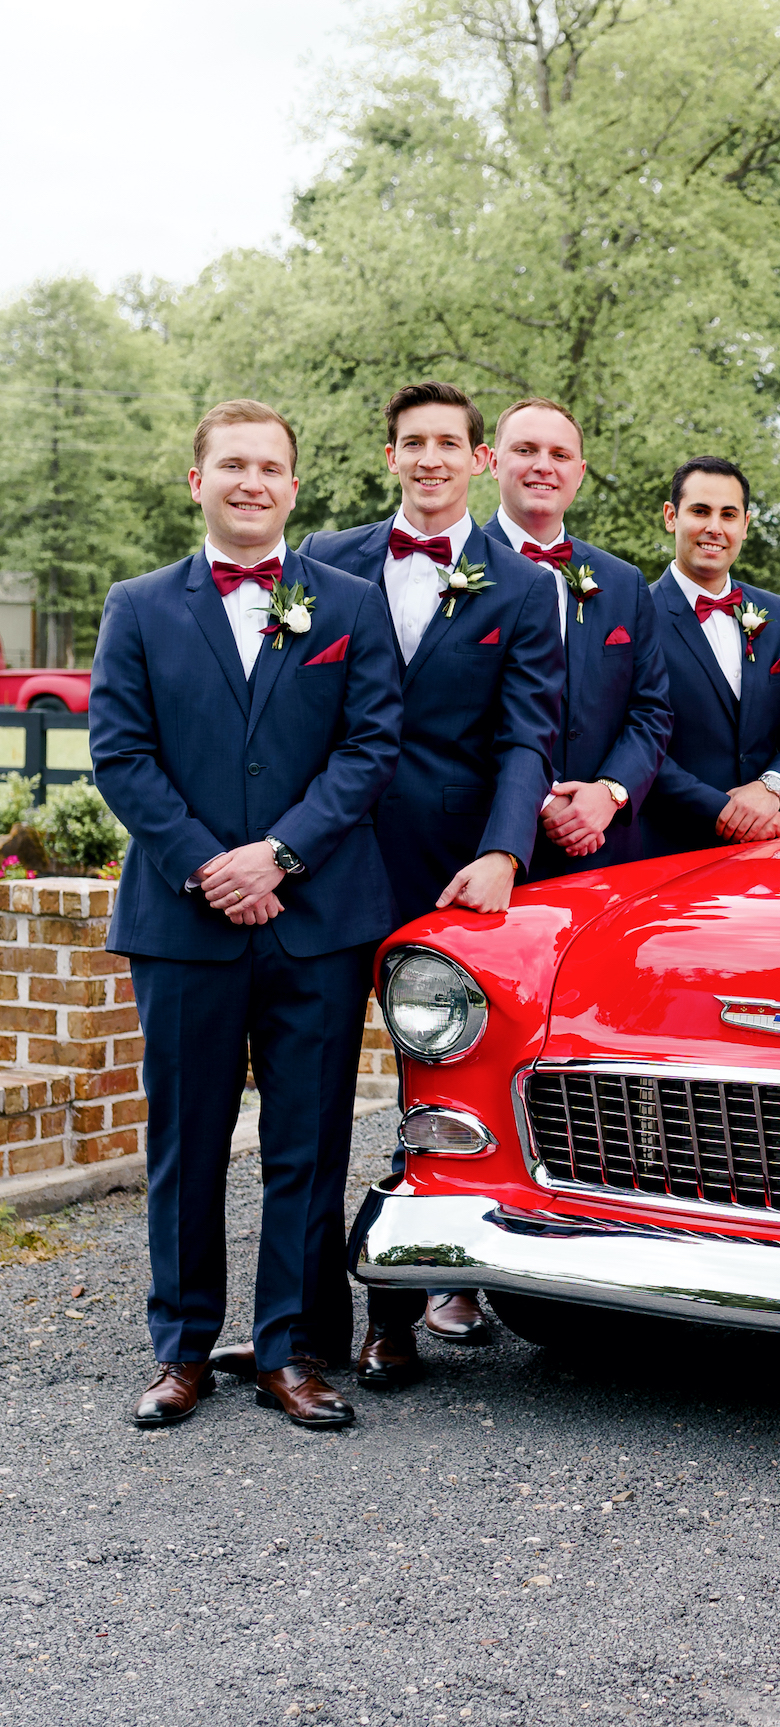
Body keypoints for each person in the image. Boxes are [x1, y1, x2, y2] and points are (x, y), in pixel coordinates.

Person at [94, 400, 402, 1432]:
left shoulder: (349, 605)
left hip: (316, 918)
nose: (251, 482)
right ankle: (182, 1347)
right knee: (186, 1138)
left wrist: (278, 853)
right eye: (232, 465)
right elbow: (120, 754)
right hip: (183, 924)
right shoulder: (138, 606)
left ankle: (287, 1347)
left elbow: (369, 747)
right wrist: (208, 867)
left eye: (270, 467)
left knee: (305, 1144)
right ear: (198, 481)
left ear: (294, 486)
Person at [300, 379, 564, 1380]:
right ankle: (305, 1317)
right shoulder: (323, 561)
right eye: (412, 442)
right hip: (330, 855)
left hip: (450, 871)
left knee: (436, 1090)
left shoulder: (522, 584)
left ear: (478, 459)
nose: (430, 459)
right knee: (316, 1092)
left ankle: (395, 1315)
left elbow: (527, 732)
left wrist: (503, 849)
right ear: (391, 455)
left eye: (449, 443)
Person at [479, 397, 673, 876]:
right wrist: (540, 798)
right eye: (526, 450)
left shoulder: (624, 582)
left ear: (580, 472)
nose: (543, 466)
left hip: (605, 847)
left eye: (560, 455)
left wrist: (609, 792)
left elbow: (651, 709)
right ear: (494, 461)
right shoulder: (455, 572)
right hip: (484, 843)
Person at [641, 457, 780, 856]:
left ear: (744, 525)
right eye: (700, 511)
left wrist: (770, 789)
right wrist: (728, 810)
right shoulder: (635, 614)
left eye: (728, 514)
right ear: (671, 517)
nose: (715, 528)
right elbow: (631, 739)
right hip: (667, 850)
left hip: (771, 847)